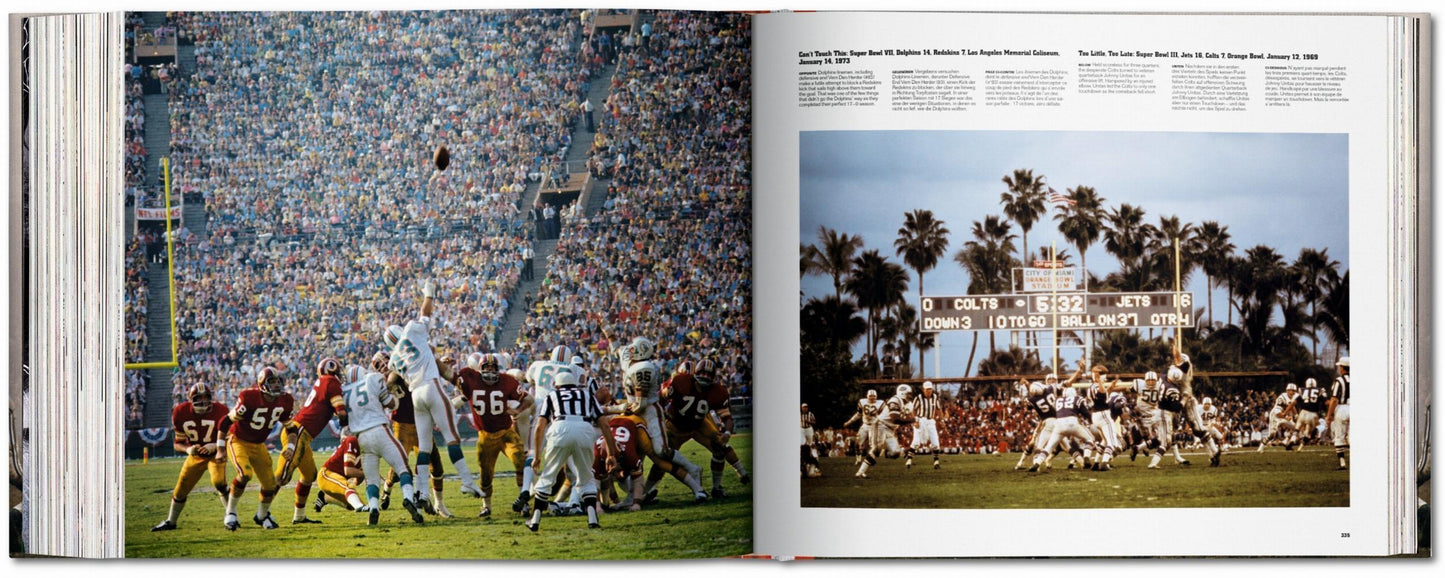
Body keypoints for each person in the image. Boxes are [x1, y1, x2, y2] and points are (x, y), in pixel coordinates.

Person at [382, 280, 481, 513]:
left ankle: (422, 492)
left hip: (416, 396)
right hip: (431, 387)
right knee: (451, 436)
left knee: (425, 447)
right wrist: (429, 294)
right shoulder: (411, 332)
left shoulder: (394, 360)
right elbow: (425, 314)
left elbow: (391, 381)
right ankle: (467, 480)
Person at [525, 370, 618, 532]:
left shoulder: (552, 396)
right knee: (586, 475)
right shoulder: (587, 395)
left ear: (557, 385)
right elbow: (603, 423)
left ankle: (535, 520)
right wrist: (611, 453)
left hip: (559, 429)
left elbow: (540, 425)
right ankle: (592, 518)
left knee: (548, 475)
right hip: (584, 429)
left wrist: (537, 454)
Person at [452, 353, 532, 517]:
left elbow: (529, 399)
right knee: (485, 474)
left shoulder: (507, 381)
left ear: (498, 369)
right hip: (485, 436)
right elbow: (453, 382)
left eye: (492, 368)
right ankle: (486, 506)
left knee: (520, 461)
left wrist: (518, 410)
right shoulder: (471, 380)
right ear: (479, 369)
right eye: (486, 368)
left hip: (506, 433)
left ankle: (524, 504)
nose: (489, 371)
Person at [343, 364, 423, 525]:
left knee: (371, 480)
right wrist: (393, 396)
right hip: (379, 430)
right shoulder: (372, 378)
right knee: (403, 467)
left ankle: (373, 507)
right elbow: (391, 404)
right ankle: (408, 498)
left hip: (362, 438)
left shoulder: (344, 392)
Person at [274, 357, 349, 525]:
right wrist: (350, 423)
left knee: (309, 475)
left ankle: (299, 516)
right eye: (337, 370)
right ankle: (262, 513)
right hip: (298, 432)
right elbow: (341, 413)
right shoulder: (331, 381)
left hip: (302, 434)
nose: (339, 374)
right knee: (283, 475)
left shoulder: (323, 381)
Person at [222, 367, 295, 531]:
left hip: (258, 444)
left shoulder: (285, 400)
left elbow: (291, 428)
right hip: (238, 440)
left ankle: (262, 515)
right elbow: (226, 421)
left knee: (270, 485)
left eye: (278, 381)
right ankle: (230, 513)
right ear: (262, 384)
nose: (276, 385)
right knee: (245, 474)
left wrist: (290, 446)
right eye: (272, 382)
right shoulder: (249, 397)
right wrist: (220, 447)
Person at [152, 383, 231, 531]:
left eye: (205, 398)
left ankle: (231, 516)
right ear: (190, 399)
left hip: (216, 453)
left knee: (219, 482)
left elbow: (231, 437)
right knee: (181, 489)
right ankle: (171, 521)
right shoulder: (180, 412)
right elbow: (178, 443)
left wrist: (214, 445)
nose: (202, 402)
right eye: (198, 398)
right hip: (196, 456)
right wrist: (189, 449)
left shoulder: (221, 410)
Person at [909, 381, 942, 470]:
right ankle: (909, 460)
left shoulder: (935, 397)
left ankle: (936, 461)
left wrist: (942, 420)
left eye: (930, 389)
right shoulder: (918, 398)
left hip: (931, 421)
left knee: (935, 442)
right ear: (923, 390)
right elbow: (913, 410)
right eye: (927, 389)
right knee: (916, 442)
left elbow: (939, 409)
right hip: (921, 420)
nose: (929, 391)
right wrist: (915, 421)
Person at [1326, 357, 1351, 469]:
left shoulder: (1339, 381)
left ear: (1342, 368)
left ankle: (1342, 463)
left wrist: (1329, 415)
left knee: (1339, 435)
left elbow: (1334, 399)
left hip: (1342, 408)